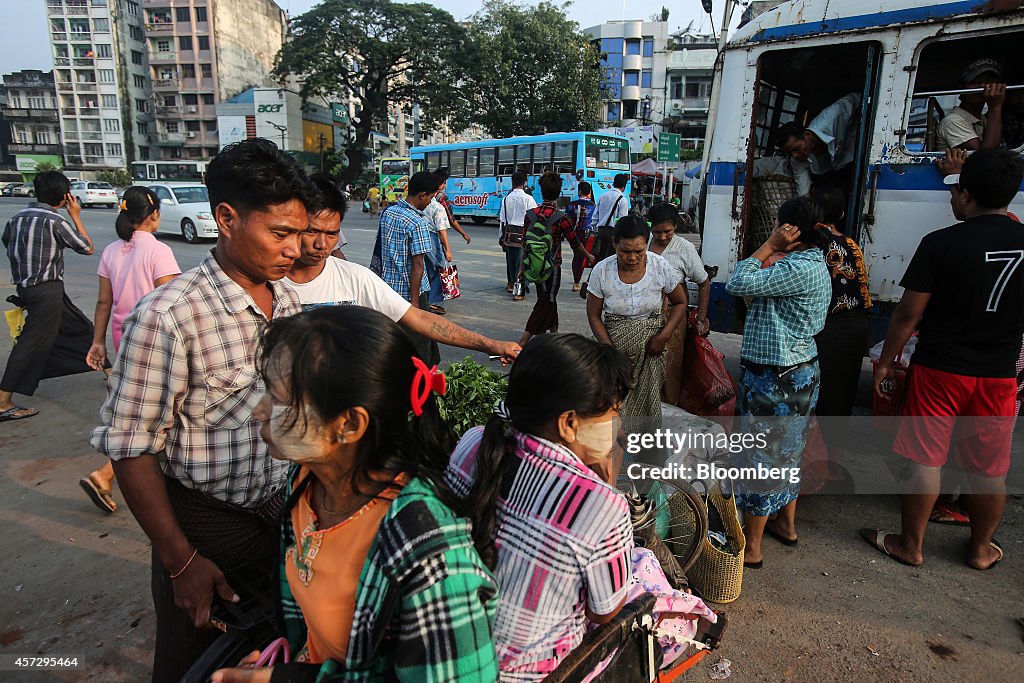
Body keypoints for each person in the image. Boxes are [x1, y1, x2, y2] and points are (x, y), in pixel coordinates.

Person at [91, 138, 317, 682]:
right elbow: (130, 447)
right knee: (193, 661)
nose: (295, 251)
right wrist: (181, 562)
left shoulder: (285, 301)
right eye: (280, 234)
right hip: (205, 529)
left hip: (281, 519)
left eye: (300, 235)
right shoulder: (168, 316)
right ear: (226, 218)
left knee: (271, 654)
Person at [210, 306, 498, 683]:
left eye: (279, 399)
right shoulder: (306, 482)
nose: (259, 412)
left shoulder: (432, 558)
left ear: (348, 425)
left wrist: (286, 679)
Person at [863, 148, 1024, 571]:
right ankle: (981, 549)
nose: (952, 199)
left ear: (967, 196)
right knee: (990, 468)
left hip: (940, 370)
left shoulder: (940, 243)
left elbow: (907, 314)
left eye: (955, 191)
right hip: (999, 374)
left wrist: (885, 362)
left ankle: (910, 546)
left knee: (926, 458)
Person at [445, 333, 634, 678]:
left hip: (448, 653)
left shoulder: (473, 442)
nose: (616, 427)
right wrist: (603, 481)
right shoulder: (603, 505)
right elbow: (603, 611)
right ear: (569, 423)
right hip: (523, 672)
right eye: (612, 414)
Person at [285, 172, 519, 362]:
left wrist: (490, 344)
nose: (321, 244)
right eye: (312, 231)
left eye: (331, 234)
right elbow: (417, 264)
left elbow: (422, 320)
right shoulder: (267, 282)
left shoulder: (356, 278)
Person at [724, 196, 831, 568]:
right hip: (795, 372)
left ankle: (751, 548)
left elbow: (737, 282)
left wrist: (770, 246)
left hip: (777, 378)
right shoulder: (809, 262)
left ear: (789, 230)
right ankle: (786, 525)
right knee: (787, 453)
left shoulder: (796, 266)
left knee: (760, 460)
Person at [80, 186, 181, 514]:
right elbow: (172, 303)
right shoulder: (158, 251)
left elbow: (103, 302)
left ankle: (107, 475)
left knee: (142, 411)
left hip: (124, 340)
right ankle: (106, 474)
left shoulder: (111, 251)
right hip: (155, 343)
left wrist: (98, 343)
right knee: (153, 414)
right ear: (153, 214)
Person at [0, 170, 96, 422]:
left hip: (28, 289)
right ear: (65, 197)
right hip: (47, 290)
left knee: (82, 328)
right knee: (30, 344)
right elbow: (87, 247)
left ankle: (109, 371)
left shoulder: (17, 219)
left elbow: (6, 241)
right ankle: (2, 401)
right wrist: (75, 216)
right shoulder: (55, 221)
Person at [586, 216, 688, 439]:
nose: (632, 257)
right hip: (614, 346)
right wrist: (610, 351)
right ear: (615, 245)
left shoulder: (659, 266)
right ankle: (615, 452)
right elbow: (594, 315)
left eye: (639, 252)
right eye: (625, 251)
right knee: (611, 402)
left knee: (648, 402)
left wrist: (663, 336)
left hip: (652, 349)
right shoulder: (602, 271)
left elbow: (680, 303)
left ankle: (642, 450)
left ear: (646, 246)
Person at [806, 187, 871, 487]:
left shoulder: (814, 245)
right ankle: (835, 466)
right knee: (841, 398)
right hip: (856, 327)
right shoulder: (850, 243)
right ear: (842, 215)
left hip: (829, 327)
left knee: (818, 397)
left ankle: (814, 466)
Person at [370, 171, 441, 366]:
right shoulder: (418, 223)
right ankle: (421, 380)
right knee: (420, 341)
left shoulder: (388, 213)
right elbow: (418, 265)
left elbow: (380, 250)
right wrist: (415, 302)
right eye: (431, 197)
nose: (431, 202)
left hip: (387, 287)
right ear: (422, 196)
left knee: (394, 337)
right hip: (411, 291)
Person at [518, 171, 594, 346]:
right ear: (559, 193)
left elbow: (524, 242)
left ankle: (554, 335)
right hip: (552, 266)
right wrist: (588, 256)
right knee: (547, 301)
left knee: (546, 299)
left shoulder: (530, 215)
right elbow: (575, 242)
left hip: (533, 265)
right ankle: (523, 342)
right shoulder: (561, 217)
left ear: (541, 191)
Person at [646, 202, 711, 406]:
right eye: (658, 232)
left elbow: (703, 281)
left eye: (668, 232)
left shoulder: (684, 247)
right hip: (645, 313)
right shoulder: (644, 242)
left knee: (670, 366)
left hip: (673, 314)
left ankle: (669, 410)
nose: (663, 237)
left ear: (675, 227)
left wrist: (701, 317)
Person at [779, 93, 862, 195]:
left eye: (797, 148)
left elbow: (857, 98)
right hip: (836, 176)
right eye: (790, 153)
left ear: (807, 135)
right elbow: (803, 191)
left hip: (860, 155)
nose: (795, 155)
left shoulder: (832, 116)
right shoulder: (797, 160)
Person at [935, 58, 1005, 153]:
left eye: (989, 81)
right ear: (961, 88)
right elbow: (986, 157)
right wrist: (995, 107)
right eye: (975, 81)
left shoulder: (981, 119)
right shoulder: (953, 121)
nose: (983, 86)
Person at [583, 173, 631, 295]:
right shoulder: (623, 200)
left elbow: (595, 216)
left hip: (601, 231)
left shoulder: (603, 196)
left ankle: (590, 282)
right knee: (613, 260)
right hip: (614, 233)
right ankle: (609, 286)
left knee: (599, 259)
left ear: (613, 183)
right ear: (624, 186)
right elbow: (622, 221)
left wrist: (594, 230)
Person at [498, 170, 537, 299]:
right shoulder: (529, 199)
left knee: (510, 260)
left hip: (509, 233)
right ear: (525, 182)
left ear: (512, 182)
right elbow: (533, 219)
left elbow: (502, 220)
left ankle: (510, 283)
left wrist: (501, 237)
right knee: (522, 262)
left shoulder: (506, 199)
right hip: (523, 233)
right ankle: (518, 287)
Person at [423, 172, 453, 314]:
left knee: (424, 269)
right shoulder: (437, 207)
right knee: (437, 269)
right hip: (432, 239)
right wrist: (447, 249)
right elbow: (442, 230)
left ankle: (425, 298)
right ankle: (434, 301)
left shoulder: (419, 205)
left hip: (420, 238)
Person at [568, 181, 598, 292]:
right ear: (589, 192)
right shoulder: (593, 206)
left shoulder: (572, 204)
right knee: (583, 257)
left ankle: (576, 280)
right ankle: (577, 281)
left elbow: (569, 219)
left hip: (574, 233)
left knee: (576, 256)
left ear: (579, 191)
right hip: (587, 234)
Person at [433, 167, 472, 244]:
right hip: (435, 237)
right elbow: (451, 220)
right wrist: (464, 234)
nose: (444, 186)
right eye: (444, 183)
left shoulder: (424, 195)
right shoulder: (442, 198)